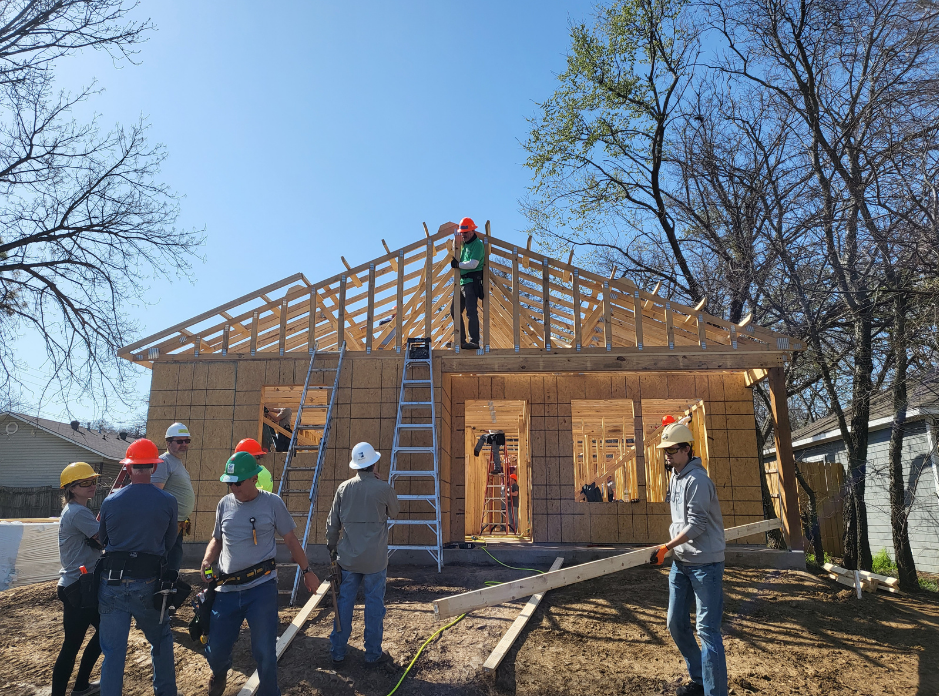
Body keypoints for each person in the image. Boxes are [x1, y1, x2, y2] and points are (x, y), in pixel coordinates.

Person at [201, 452, 319, 696]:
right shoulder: (224, 504)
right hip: (227, 589)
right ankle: (219, 673)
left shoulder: (272, 504)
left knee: (264, 650)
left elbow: (291, 540)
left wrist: (307, 571)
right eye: (229, 483)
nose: (233, 488)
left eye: (238, 482)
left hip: (261, 588)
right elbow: (217, 539)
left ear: (254, 479)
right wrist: (207, 560)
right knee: (216, 649)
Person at [649, 422, 727, 696]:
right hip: (682, 563)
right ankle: (700, 680)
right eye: (665, 450)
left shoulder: (698, 481)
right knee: (675, 623)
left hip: (706, 564)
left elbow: (697, 525)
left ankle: (715, 692)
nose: (667, 455)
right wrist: (672, 550)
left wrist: (666, 546)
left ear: (686, 449)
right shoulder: (676, 476)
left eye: (672, 450)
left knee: (707, 630)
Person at [97, 439, 179, 696]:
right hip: (147, 582)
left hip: (111, 583)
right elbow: (169, 543)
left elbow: (103, 540)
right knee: (161, 640)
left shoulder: (111, 501)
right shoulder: (168, 501)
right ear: (153, 467)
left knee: (113, 652)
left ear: (128, 468)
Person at [326, 442, 399, 666]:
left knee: (344, 602)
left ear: (356, 465)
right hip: (375, 559)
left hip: (348, 559)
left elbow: (332, 524)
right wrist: (381, 484)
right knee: (374, 603)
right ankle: (373, 653)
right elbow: (395, 512)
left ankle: (338, 650)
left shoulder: (343, 489)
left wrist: (332, 548)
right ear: (374, 464)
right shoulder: (383, 488)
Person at [53, 462, 104, 696]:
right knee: (72, 645)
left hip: (79, 585)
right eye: (85, 482)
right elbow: (105, 539)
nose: (91, 485)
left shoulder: (76, 510)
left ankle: (81, 685)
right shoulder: (78, 512)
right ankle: (68, 689)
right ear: (71, 488)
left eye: (93, 481)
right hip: (78, 587)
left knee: (103, 633)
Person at [153, 422, 196, 573]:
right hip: (167, 526)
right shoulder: (164, 462)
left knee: (173, 563)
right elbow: (155, 494)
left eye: (187, 441)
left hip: (177, 525)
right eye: (179, 441)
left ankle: (170, 584)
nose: (184, 444)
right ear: (168, 442)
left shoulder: (175, 462)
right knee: (165, 563)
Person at [450, 216, 485, 349]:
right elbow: (455, 247)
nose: (463, 235)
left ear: (472, 231)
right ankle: (461, 340)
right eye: (462, 233)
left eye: (465, 233)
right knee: (454, 310)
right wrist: (456, 238)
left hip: (471, 282)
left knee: (471, 312)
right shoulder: (464, 244)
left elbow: (473, 264)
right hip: (462, 282)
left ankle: (474, 341)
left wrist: (458, 265)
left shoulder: (478, 245)